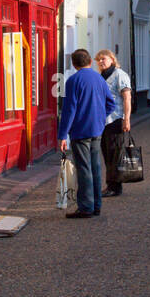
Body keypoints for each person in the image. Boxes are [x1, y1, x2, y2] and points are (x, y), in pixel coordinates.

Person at [57, 48, 115, 218]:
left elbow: (69, 111)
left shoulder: (73, 81)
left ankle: (86, 207)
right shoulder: (99, 78)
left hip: (80, 131)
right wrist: (99, 117)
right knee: (96, 167)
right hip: (97, 129)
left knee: (84, 169)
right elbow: (111, 104)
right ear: (90, 61)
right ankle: (96, 205)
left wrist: (62, 135)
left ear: (74, 64)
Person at [94, 49, 132, 197]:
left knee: (115, 153)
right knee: (107, 153)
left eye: (103, 58)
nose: (101, 62)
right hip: (103, 121)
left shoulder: (119, 75)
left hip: (116, 119)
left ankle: (114, 187)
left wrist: (126, 119)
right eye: (98, 60)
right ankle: (112, 184)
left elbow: (127, 97)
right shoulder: (101, 77)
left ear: (112, 59)